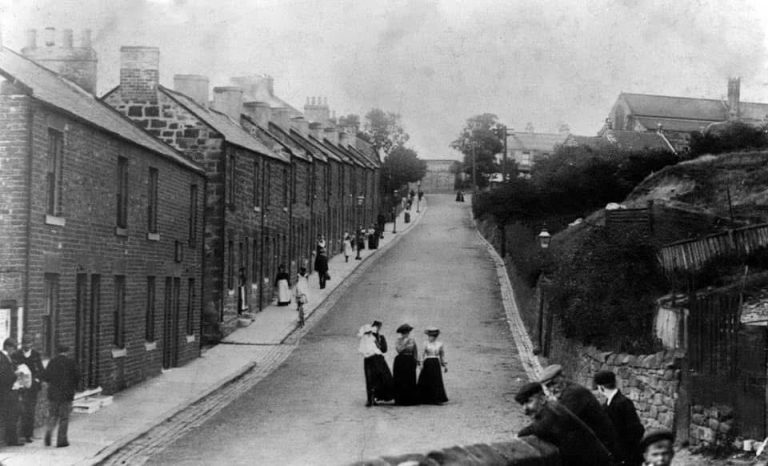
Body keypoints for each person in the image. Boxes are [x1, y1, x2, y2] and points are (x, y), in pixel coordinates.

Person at [516, 382, 613, 466]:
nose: (525, 410)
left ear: (542, 399)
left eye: (529, 402)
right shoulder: (549, 408)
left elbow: (541, 427)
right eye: (522, 404)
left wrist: (518, 435)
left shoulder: (553, 411)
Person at [539, 364, 618, 459]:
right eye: (548, 386)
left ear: (563, 378)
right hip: (592, 446)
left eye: (554, 383)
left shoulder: (574, 393)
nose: (552, 389)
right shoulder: (567, 392)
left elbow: (559, 422)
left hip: (602, 450)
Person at [594, 370, 644, 466]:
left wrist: (624, 454)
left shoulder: (623, 403)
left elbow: (636, 431)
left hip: (628, 457)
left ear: (601, 388)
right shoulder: (607, 405)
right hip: (616, 458)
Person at [42, 344, 79, 448]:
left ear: (57, 351)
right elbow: (77, 377)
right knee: (64, 417)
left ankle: (49, 432)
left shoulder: (52, 362)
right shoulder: (71, 363)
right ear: (67, 351)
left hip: (53, 394)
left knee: (52, 415)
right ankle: (61, 440)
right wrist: (74, 387)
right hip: (66, 394)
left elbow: (45, 376)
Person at [13, 334, 44, 443]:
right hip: (20, 387)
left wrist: (36, 380)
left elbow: (41, 370)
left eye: (29, 343)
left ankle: (28, 434)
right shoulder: (16, 355)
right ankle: (20, 434)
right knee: (21, 410)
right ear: (22, 344)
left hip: (32, 388)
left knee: (30, 410)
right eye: (25, 343)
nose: (27, 345)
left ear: (32, 344)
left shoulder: (36, 355)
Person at [358, 324, 393, 406]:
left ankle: (377, 397)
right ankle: (370, 399)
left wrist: (378, 345)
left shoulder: (375, 338)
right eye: (367, 332)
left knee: (379, 378)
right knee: (370, 379)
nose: (369, 333)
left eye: (369, 332)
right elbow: (362, 351)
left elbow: (381, 349)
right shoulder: (364, 340)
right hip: (369, 361)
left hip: (377, 359)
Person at [417, 327, 448, 404]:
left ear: (436, 336)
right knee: (426, 379)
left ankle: (436, 399)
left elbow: (442, 355)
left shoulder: (440, 344)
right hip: (428, 362)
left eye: (434, 336)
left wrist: (444, 364)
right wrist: (421, 363)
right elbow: (422, 354)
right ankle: (423, 398)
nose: (432, 337)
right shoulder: (425, 343)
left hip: (435, 362)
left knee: (436, 380)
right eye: (430, 336)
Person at [1, 338, 22, 446]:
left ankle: (12, 439)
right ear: (8, 347)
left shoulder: (8, 357)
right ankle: (11, 439)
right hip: (5, 392)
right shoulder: (2, 358)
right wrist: (16, 375)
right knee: (10, 415)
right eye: (14, 348)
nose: (15, 351)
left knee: (13, 414)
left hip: (11, 391)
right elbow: (3, 376)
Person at [392, 324, 419, 406]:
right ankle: (400, 400)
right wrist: (405, 343)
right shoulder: (398, 340)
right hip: (400, 361)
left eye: (407, 332)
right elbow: (399, 350)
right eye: (404, 333)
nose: (406, 334)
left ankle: (410, 400)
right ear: (401, 333)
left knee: (410, 379)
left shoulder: (412, 340)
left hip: (409, 360)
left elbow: (415, 351)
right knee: (400, 380)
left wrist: (416, 360)